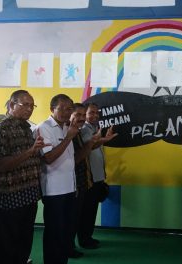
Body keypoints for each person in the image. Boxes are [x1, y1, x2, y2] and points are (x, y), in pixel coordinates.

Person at [0, 90, 46, 264]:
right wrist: (30, 151)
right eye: (25, 105)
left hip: (29, 196)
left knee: (24, 242)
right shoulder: (0, 130)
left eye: (32, 105)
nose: (30, 109)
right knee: (7, 246)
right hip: (10, 198)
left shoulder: (28, 128)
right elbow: (1, 165)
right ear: (12, 105)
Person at [36, 94, 79, 264]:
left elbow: (69, 160)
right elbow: (49, 158)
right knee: (54, 232)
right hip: (54, 190)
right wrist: (69, 137)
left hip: (69, 188)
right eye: (61, 108)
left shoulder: (66, 127)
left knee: (65, 232)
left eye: (69, 109)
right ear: (51, 109)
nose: (66, 112)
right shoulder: (44, 127)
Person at [78, 102, 117, 249]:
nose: (94, 115)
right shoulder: (83, 129)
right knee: (86, 211)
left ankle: (87, 236)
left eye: (97, 113)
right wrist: (103, 140)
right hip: (89, 178)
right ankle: (83, 239)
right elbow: (90, 145)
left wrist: (102, 139)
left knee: (91, 209)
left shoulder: (94, 128)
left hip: (97, 177)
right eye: (91, 113)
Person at [68, 103, 101, 258]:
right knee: (72, 218)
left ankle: (76, 243)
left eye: (83, 115)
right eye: (79, 115)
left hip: (83, 181)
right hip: (69, 184)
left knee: (78, 216)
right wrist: (94, 143)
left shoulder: (79, 132)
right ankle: (70, 246)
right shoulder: (70, 132)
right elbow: (75, 159)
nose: (81, 118)